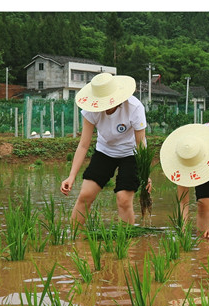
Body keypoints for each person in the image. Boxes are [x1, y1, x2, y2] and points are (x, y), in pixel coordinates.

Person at [60, 72, 149, 225]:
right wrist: (71, 176)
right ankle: (75, 236)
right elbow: (83, 144)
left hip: (131, 153)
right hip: (105, 151)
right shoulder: (91, 110)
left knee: (123, 199)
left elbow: (141, 144)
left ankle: (126, 238)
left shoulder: (134, 107)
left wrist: (145, 174)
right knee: (85, 195)